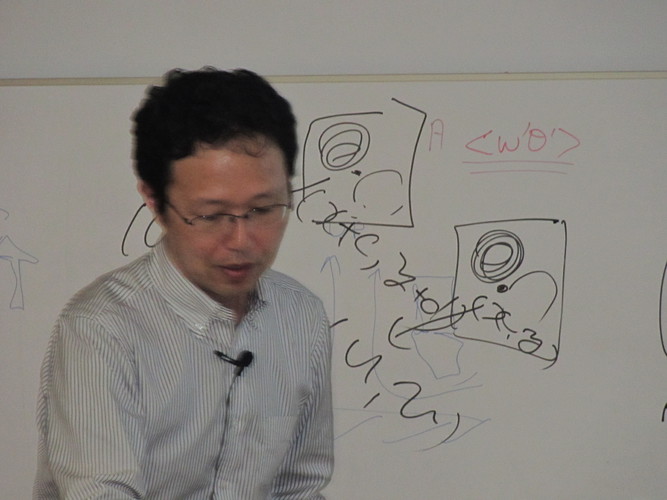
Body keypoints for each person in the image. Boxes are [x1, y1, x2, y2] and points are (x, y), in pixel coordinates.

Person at [34, 68, 334, 499]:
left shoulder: (301, 315)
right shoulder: (100, 328)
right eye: (210, 216)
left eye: (264, 209)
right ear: (154, 201)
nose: (241, 240)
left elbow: (298, 487)